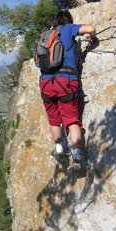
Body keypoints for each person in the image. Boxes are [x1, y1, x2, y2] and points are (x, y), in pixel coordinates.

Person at [39, 9, 96, 171]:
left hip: (45, 82)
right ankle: (77, 156)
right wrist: (90, 37)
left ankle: (59, 149)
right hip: (66, 81)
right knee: (71, 120)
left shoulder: (47, 35)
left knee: (54, 118)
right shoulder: (69, 29)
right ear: (68, 20)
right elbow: (90, 28)